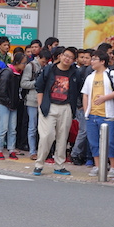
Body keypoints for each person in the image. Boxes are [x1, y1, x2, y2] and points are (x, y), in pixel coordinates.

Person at [33, 46, 80, 176]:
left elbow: (79, 90)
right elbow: (39, 86)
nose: (67, 59)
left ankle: (59, 165)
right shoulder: (49, 69)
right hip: (49, 106)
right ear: (60, 56)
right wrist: (41, 105)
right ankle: (39, 164)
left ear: (73, 60)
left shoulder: (75, 72)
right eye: (66, 55)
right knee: (46, 136)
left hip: (66, 107)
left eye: (71, 57)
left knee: (62, 137)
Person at [81, 51, 114, 178]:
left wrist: (104, 98)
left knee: (110, 142)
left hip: (107, 114)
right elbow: (85, 94)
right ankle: (97, 165)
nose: (92, 61)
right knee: (93, 142)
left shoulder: (113, 74)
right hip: (92, 114)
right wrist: (87, 110)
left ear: (102, 61)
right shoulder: (90, 77)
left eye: (94, 59)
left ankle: (113, 166)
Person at [0, 52, 26, 160]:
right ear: (17, 62)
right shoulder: (8, 73)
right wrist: (9, 102)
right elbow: (2, 91)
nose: (24, 65)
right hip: (3, 103)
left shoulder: (18, 73)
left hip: (13, 104)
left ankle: (11, 149)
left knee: (12, 129)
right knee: (3, 128)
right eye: (23, 63)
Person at [21, 48, 49, 160]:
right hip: (32, 100)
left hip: (44, 100)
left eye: (46, 62)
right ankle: (32, 151)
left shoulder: (47, 67)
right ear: (38, 57)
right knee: (32, 127)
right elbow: (23, 83)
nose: (44, 64)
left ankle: (41, 150)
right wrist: (37, 83)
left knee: (42, 127)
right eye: (43, 61)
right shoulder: (30, 66)